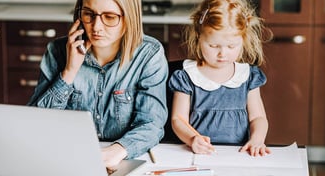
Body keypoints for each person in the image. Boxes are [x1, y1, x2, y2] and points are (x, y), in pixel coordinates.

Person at [27, 0, 168, 168]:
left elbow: (152, 124)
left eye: (109, 17)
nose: (96, 27)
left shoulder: (149, 54)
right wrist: (69, 71)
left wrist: (115, 151)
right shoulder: (57, 51)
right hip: (66, 159)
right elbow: (37, 124)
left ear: (130, 18)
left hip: (122, 160)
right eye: (88, 14)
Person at [169, 0, 272, 156]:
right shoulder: (187, 76)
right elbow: (178, 119)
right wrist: (193, 139)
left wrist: (257, 140)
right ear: (199, 38)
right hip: (196, 153)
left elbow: (258, 117)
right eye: (213, 46)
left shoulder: (247, 76)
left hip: (238, 154)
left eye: (231, 46)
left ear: (243, 41)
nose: (222, 53)